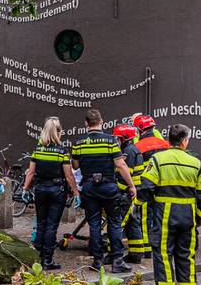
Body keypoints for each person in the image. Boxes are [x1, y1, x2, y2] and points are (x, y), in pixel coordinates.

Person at [138, 125, 201, 285]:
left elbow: (146, 187)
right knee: (186, 256)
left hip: (164, 216)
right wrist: (200, 217)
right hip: (188, 216)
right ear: (185, 141)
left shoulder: (158, 160)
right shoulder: (195, 162)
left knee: (163, 256)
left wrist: (142, 203)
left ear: (168, 140)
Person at [72, 108, 136, 272]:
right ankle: (117, 262)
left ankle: (97, 261)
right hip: (108, 186)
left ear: (86, 123)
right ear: (101, 122)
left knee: (94, 224)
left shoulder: (79, 142)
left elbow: (75, 165)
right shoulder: (110, 141)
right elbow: (120, 165)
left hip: (89, 187)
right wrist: (131, 185)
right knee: (114, 223)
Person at [23, 117, 80, 270]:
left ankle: (37, 258)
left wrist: (25, 189)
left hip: (40, 190)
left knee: (41, 224)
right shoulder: (62, 151)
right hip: (57, 191)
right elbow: (69, 176)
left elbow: (31, 173)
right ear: (58, 132)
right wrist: (76, 193)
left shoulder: (38, 149)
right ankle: (48, 260)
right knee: (51, 226)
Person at [131, 114, 170, 259]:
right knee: (161, 215)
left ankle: (147, 249)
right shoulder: (165, 144)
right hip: (164, 185)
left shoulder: (137, 146)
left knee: (145, 217)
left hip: (146, 184)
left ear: (140, 129)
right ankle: (160, 244)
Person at [114, 124, 148, 263]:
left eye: (118, 138)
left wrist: (117, 189)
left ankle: (115, 255)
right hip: (134, 193)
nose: (116, 141)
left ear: (124, 139)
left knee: (119, 223)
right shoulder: (133, 149)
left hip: (128, 194)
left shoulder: (128, 152)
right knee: (133, 222)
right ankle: (136, 254)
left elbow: (125, 175)